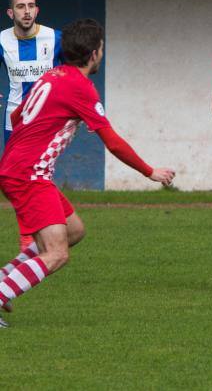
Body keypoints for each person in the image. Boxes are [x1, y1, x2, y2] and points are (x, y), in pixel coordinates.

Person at [0, 19, 175, 328]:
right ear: (94, 53)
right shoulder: (80, 87)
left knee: (74, 230)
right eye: (102, 49)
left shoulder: (52, 76)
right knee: (57, 254)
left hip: (19, 168)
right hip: (29, 174)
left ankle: (6, 280)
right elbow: (113, 142)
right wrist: (150, 171)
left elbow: (17, 115)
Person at [1, 0, 63, 251]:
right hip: (14, 122)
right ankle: (28, 235)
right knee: (16, 180)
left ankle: (46, 232)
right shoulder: (2, 40)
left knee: (40, 178)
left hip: (47, 121)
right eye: (21, 7)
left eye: (31, 6)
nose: (27, 11)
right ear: (10, 12)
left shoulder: (55, 38)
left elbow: (72, 72)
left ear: (37, 10)